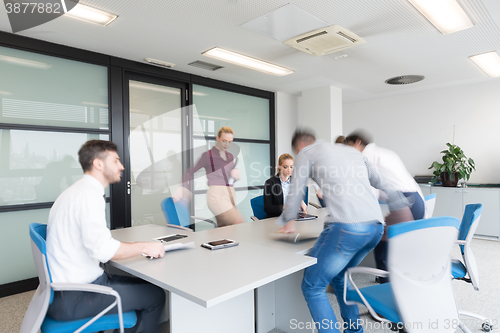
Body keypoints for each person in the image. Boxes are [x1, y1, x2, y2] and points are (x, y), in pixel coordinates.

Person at [277, 129, 413, 333]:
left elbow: (297, 189)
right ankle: (354, 329)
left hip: (347, 229)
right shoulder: (350, 152)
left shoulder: (307, 153)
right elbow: (381, 181)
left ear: (300, 147)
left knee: (313, 286)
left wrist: (288, 221)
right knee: (340, 277)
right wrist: (400, 204)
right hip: (374, 229)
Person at [46, 140, 166, 333]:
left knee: (143, 287)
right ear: (98, 163)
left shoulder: (73, 192)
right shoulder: (89, 196)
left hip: (62, 292)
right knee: (155, 295)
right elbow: (103, 251)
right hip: (77, 296)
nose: (122, 166)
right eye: (116, 160)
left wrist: (134, 244)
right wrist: (144, 247)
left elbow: (97, 242)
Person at [345, 129, 425, 283]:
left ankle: (385, 287)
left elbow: (371, 190)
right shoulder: (386, 153)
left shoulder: (365, 156)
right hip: (415, 200)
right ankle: (397, 282)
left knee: (382, 243)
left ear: (357, 143)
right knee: (394, 244)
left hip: (403, 204)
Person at [175, 126, 244, 227]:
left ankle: (212, 243)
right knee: (237, 220)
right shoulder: (208, 155)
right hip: (216, 194)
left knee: (226, 228)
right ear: (217, 138)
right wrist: (182, 188)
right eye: (224, 141)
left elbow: (229, 179)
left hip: (230, 193)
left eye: (230, 141)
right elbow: (190, 172)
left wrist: (236, 177)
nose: (227, 144)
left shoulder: (230, 156)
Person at [263, 153, 307, 218]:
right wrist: (284, 207)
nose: (289, 170)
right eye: (285, 167)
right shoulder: (270, 183)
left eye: (291, 167)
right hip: (276, 218)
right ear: (279, 166)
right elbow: (268, 208)